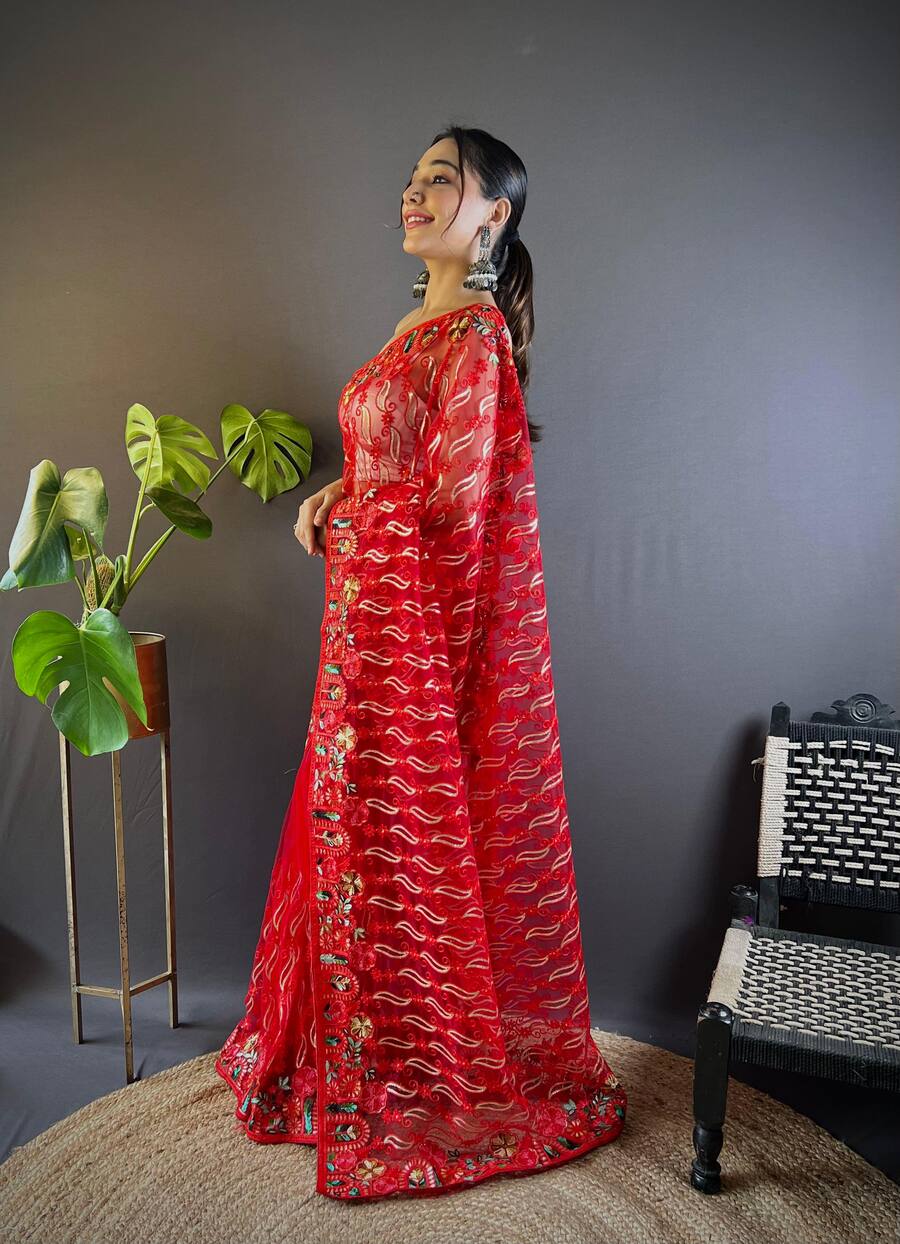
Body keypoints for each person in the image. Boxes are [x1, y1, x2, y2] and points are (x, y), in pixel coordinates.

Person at [215, 125, 627, 1202]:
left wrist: (356, 517)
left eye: (441, 180)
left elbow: (451, 517)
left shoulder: (475, 339)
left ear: (494, 214)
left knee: (400, 847)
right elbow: (394, 471)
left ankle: (416, 1069)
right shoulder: (417, 328)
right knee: (356, 844)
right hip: (361, 639)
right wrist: (338, 493)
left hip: (411, 656)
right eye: (411, 178)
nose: (413, 192)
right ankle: (361, 1054)